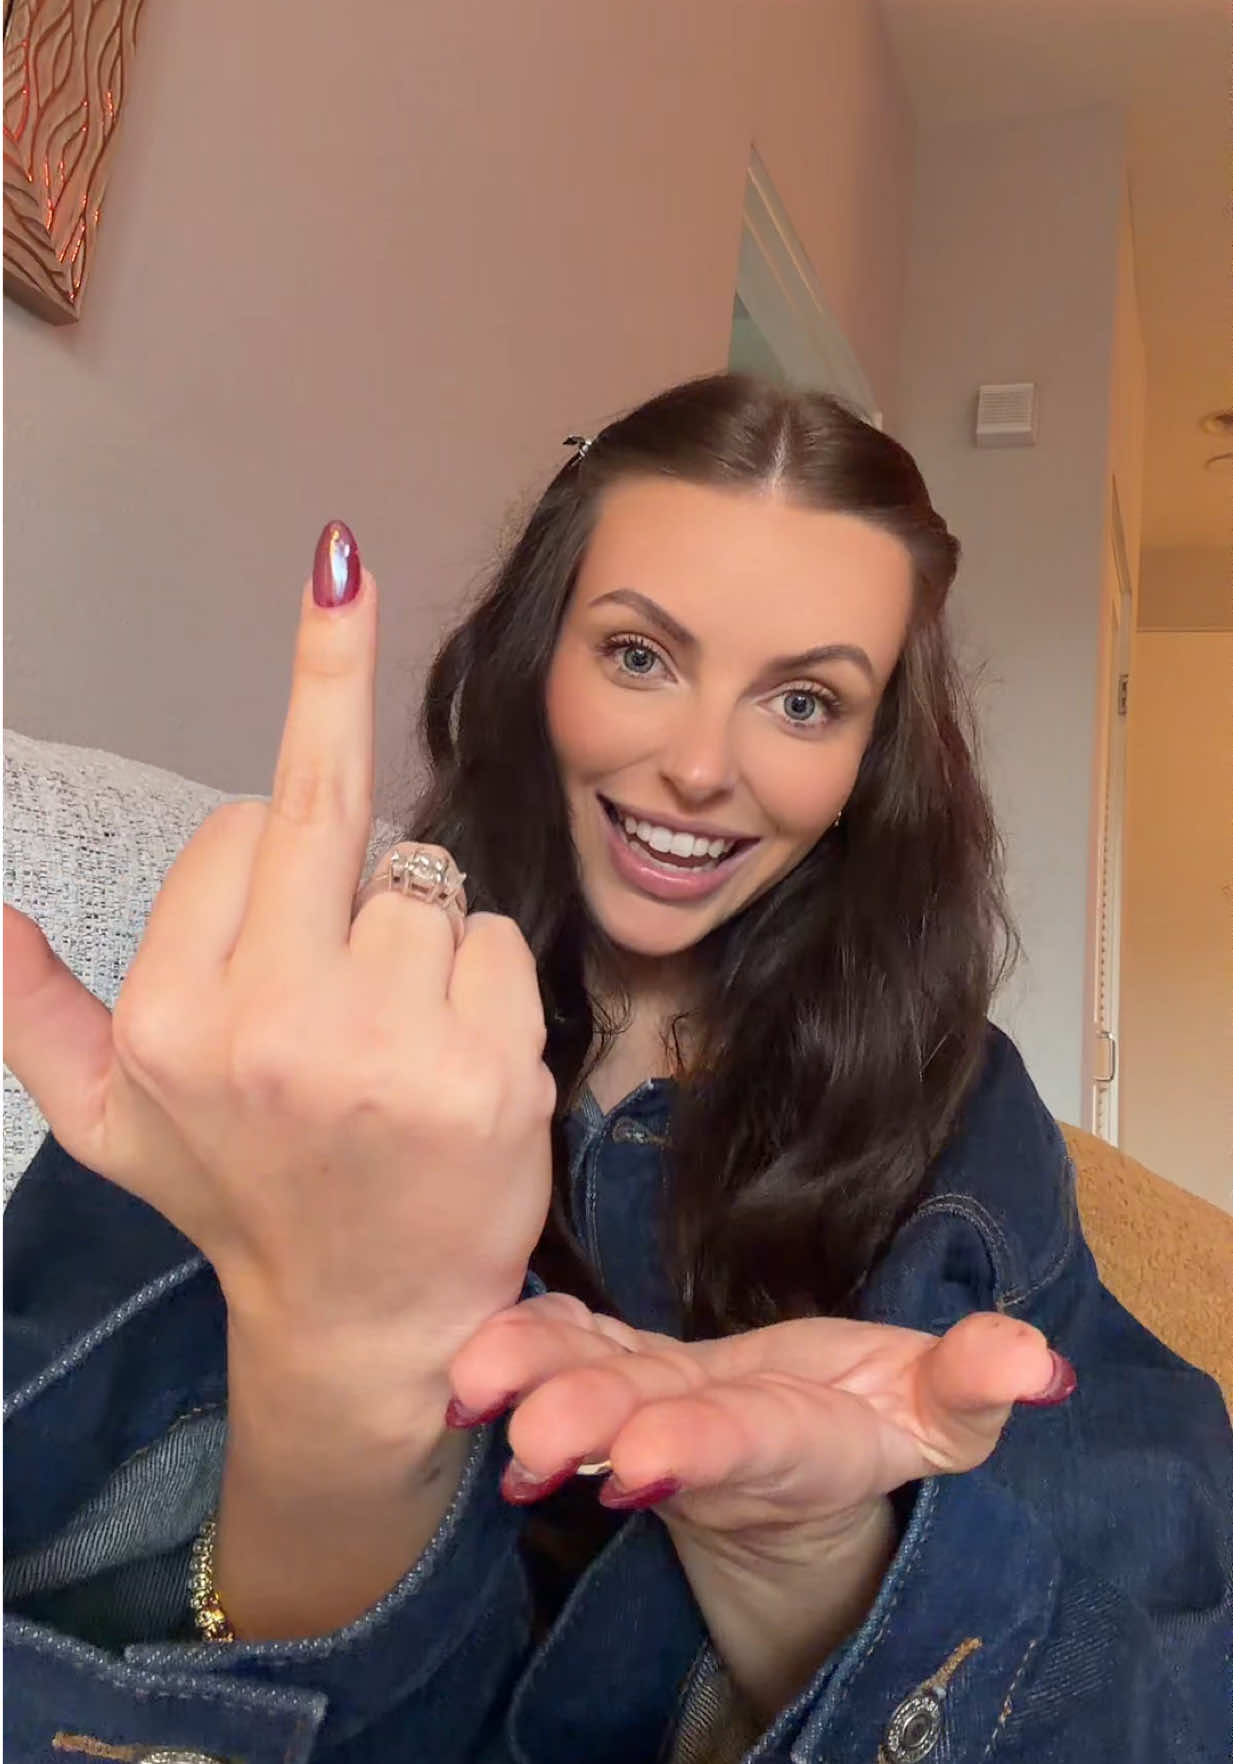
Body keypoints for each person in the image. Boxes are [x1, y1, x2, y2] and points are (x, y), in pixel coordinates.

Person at [4, 374, 1229, 1764]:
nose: (700, 767)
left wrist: (811, 1569)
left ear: (871, 756)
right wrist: (336, 1386)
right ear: (540, 657)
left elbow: (1163, 1691)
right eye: (640, 656)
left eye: (805, 702)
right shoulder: (289, 1026)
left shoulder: (958, 1113)